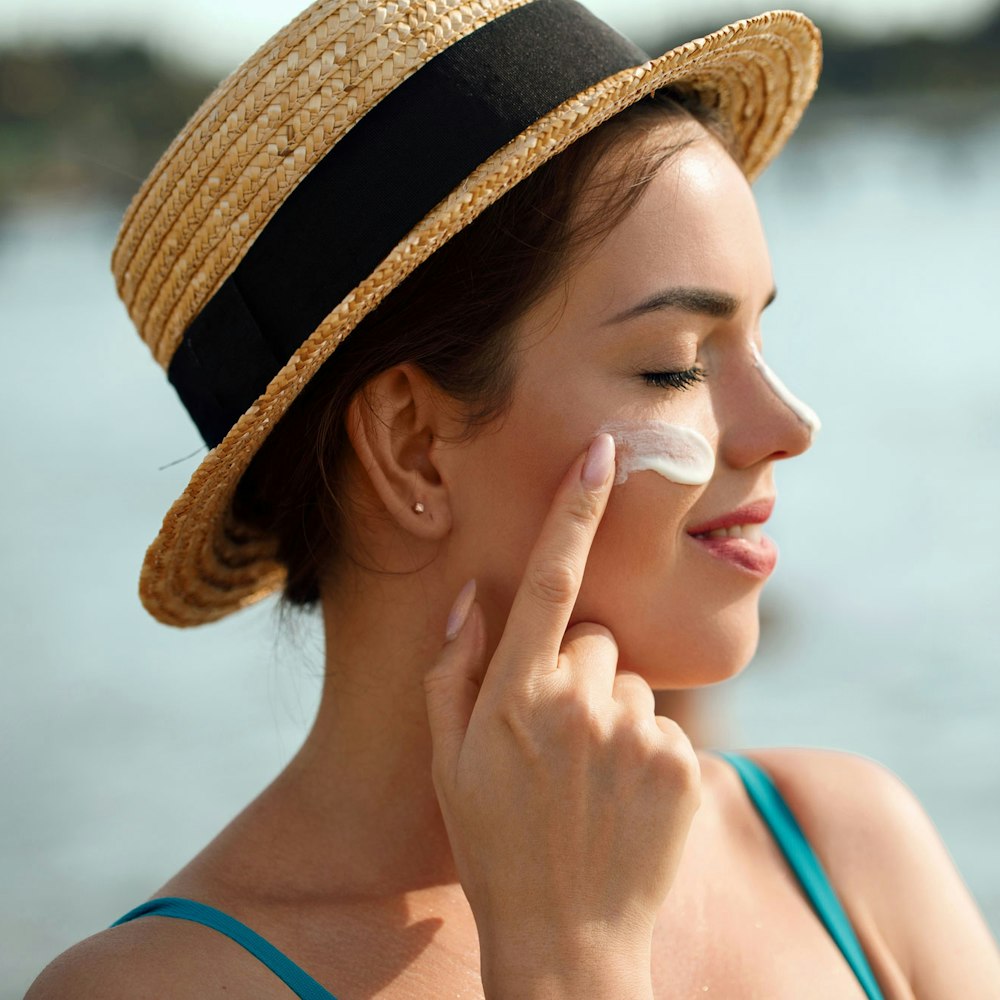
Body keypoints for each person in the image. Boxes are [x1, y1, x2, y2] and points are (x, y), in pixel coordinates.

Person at [25, 1, 1000, 997]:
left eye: (757, 341)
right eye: (672, 367)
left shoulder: (842, 847)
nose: (789, 425)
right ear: (413, 449)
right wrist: (573, 964)